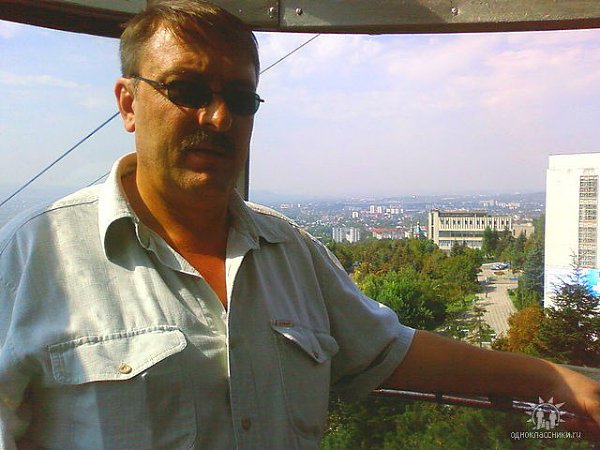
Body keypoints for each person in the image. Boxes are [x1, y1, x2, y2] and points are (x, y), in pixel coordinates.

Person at [0, 1, 598, 448]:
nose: (218, 117)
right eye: (187, 89)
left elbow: (392, 352)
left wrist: (556, 380)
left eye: (240, 99)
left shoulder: (290, 251)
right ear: (129, 102)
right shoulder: (34, 257)